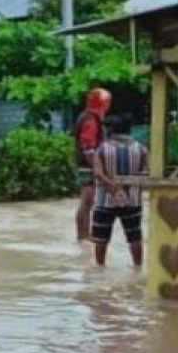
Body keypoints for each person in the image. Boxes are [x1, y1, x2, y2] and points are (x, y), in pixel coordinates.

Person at [90, 113, 149, 267]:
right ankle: (138, 267)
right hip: (133, 200)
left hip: (105, 200)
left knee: (101, 240)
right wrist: (126, 187)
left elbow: (98, 173)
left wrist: (114, 188)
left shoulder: (102, 149)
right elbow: (145, 173)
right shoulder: (141, 149)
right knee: (134, 237)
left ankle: (100, 269)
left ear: (110, 130)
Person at [73, 87, 112, 241]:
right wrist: (97, 167)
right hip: (87, 166)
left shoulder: (88, 117)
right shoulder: (90, 119)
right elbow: (88, 146)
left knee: (87, 202)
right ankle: (83, 236)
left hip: (86, 165)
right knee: (87, 201)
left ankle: (84, 236)